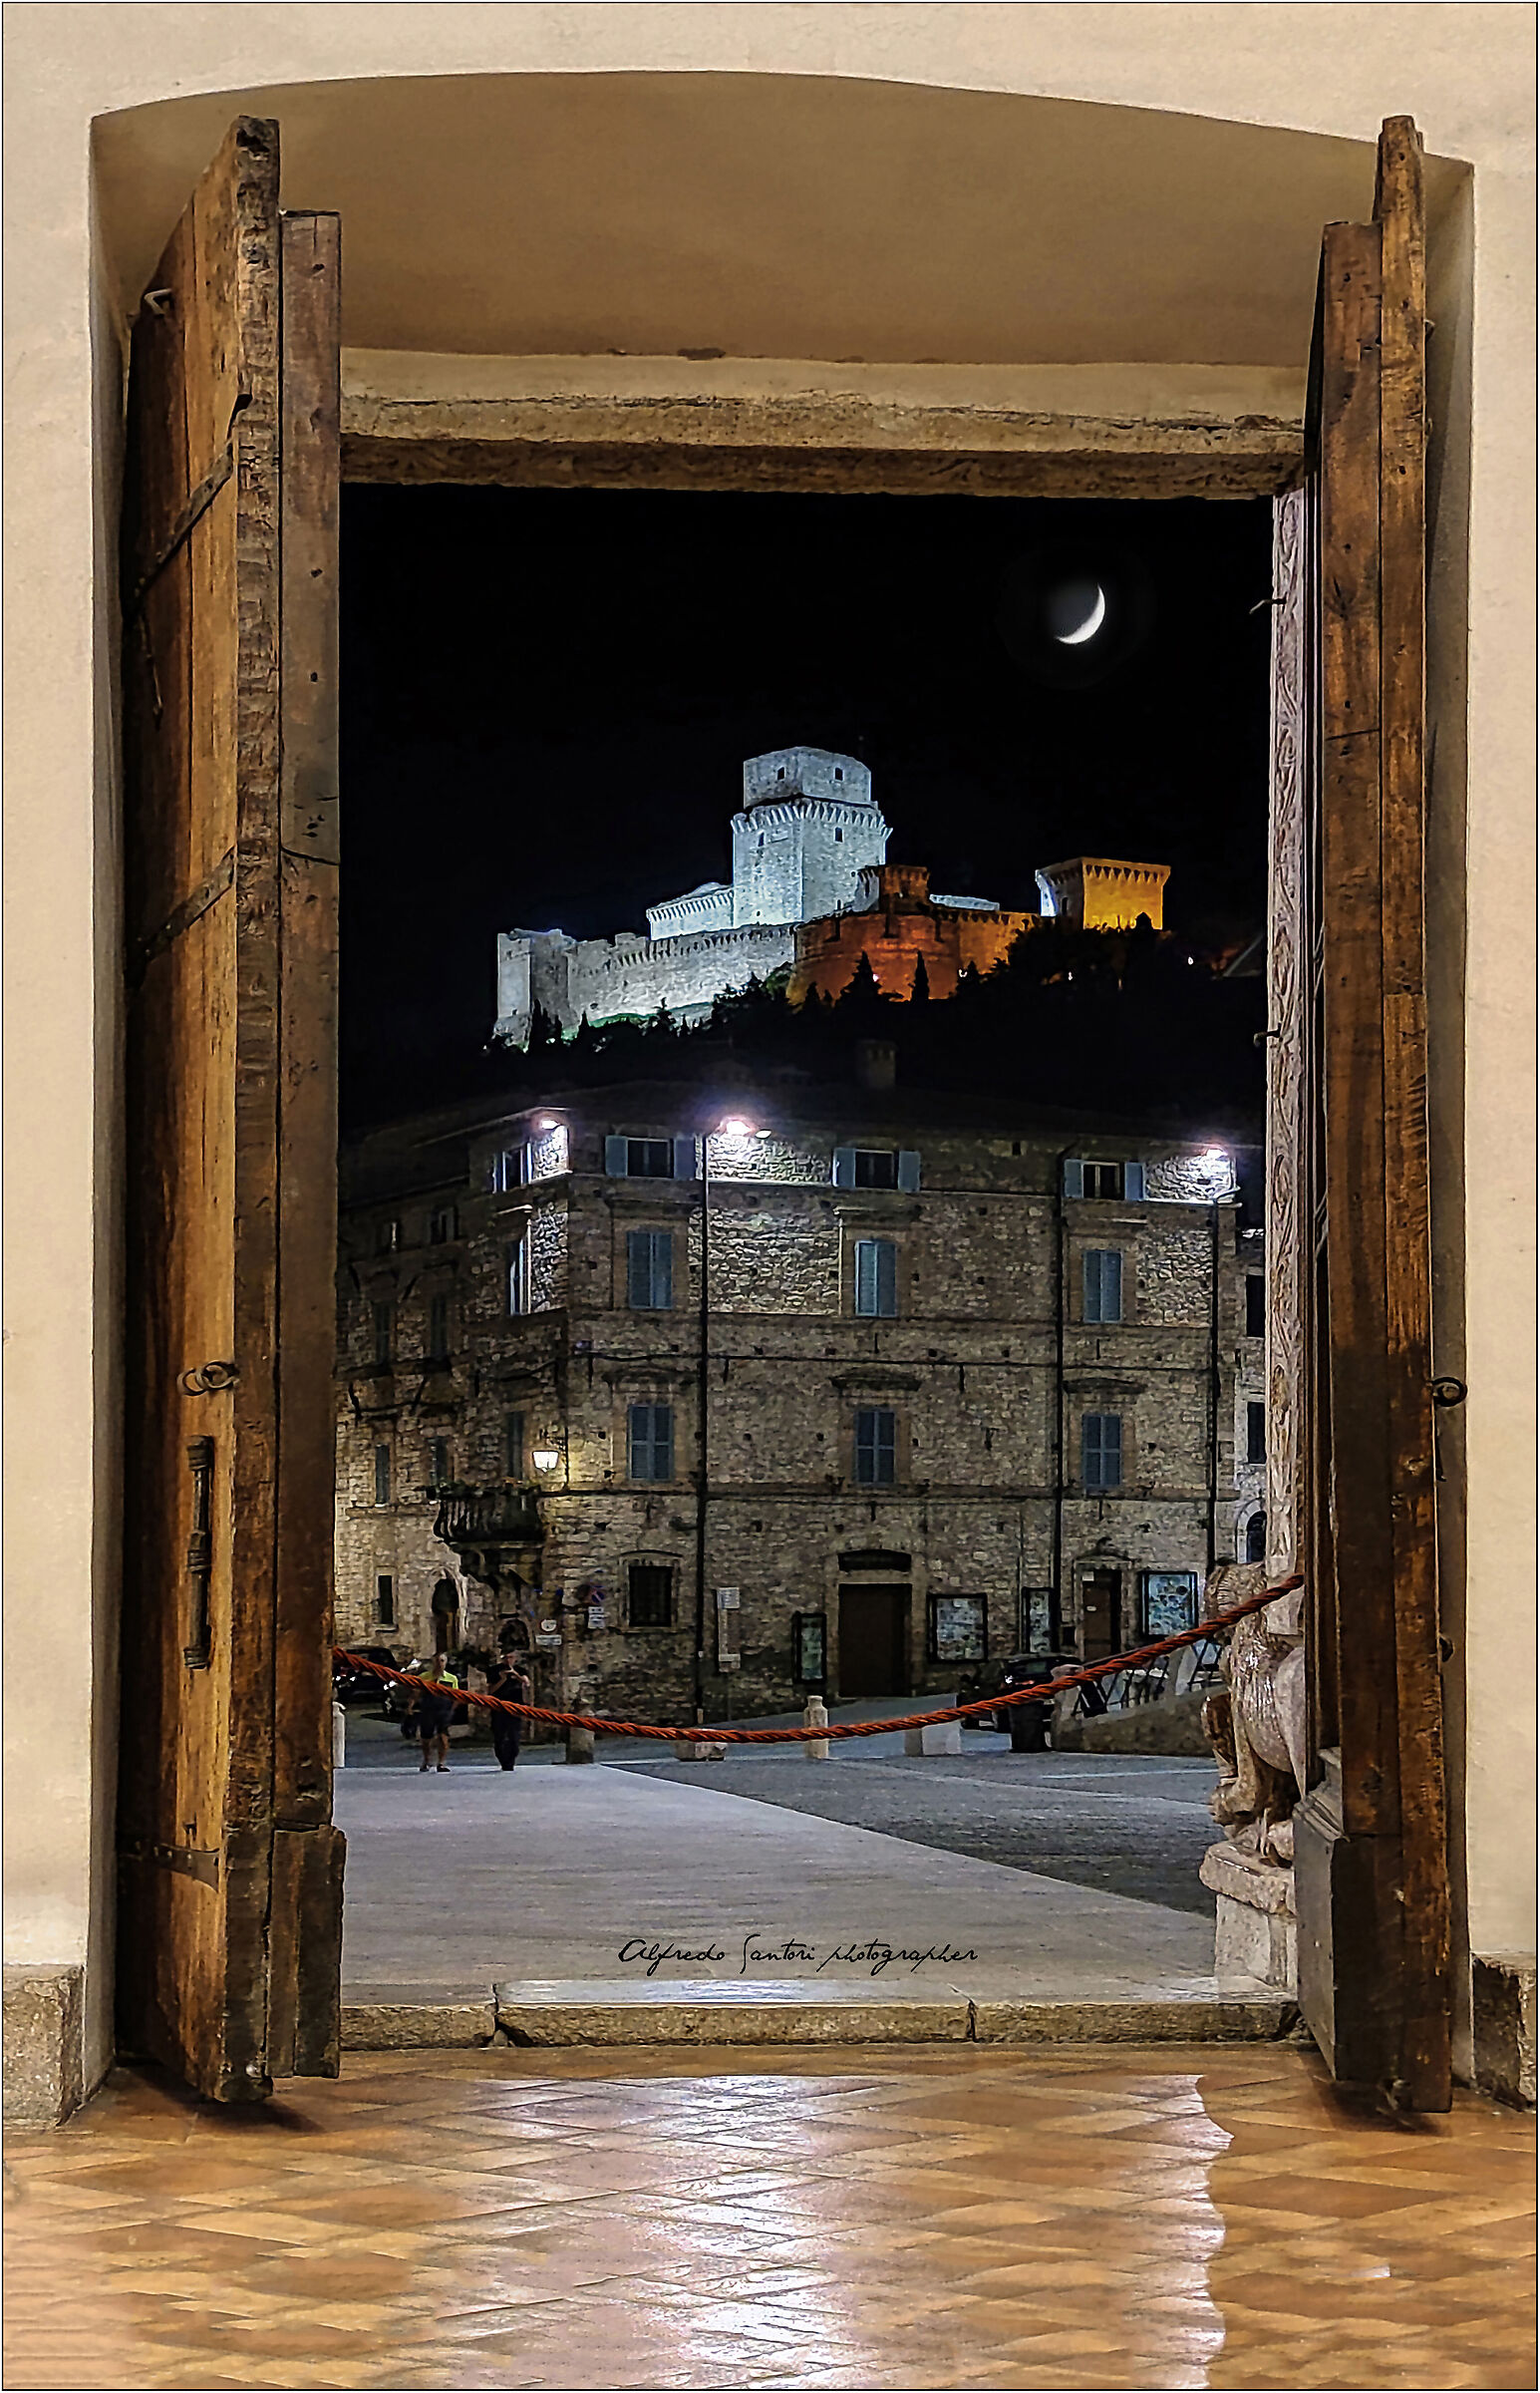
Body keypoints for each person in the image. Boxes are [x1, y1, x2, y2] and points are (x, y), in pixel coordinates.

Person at [486, 1645, 532, 1771]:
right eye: (505, 1658)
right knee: (499, 1736)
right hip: (498, 1707)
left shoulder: (521, 1670)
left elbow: (526, 1683)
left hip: (515, 1707)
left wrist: (515, 1675)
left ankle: (511, 1760)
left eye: (510, 1657)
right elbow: (490, 1691)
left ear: (515, 1658)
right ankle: (503, 1761)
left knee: (514, 1736)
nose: (508, 1660)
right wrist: (502, 1679)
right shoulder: (494, 1671)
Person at [415, 1656, 459, 1773]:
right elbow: (416, 1693)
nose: (440, 1664)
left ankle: (441, 1763)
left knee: (443, 1737)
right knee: (426, 1737)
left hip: (443, 1711)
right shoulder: (424, 1677)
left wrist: (451, 1710)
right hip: (428, 1710)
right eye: (437, 1661)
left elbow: (456, 1696)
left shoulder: (451, 1678)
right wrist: (412, 1706)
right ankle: (426, 1760)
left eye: (442, 1661)